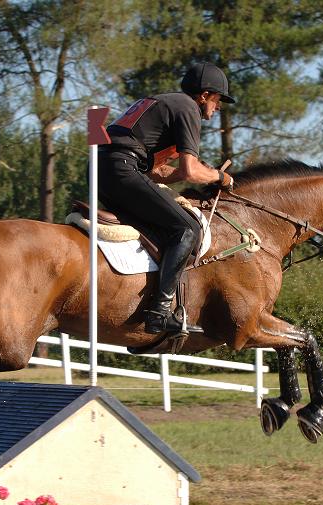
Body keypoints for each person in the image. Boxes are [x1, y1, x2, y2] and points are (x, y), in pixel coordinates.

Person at [98, 62, 236, 335]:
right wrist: (220, 178)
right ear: (205, 95)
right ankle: (159, 313)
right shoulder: (188, 108)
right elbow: (189, 170)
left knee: (160, 227)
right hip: (122, 169)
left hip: (105, 171)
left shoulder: (164, 103)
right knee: (188, 228)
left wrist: (202, 175)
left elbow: (157, 172)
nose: (218, 107)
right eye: (218, 99)